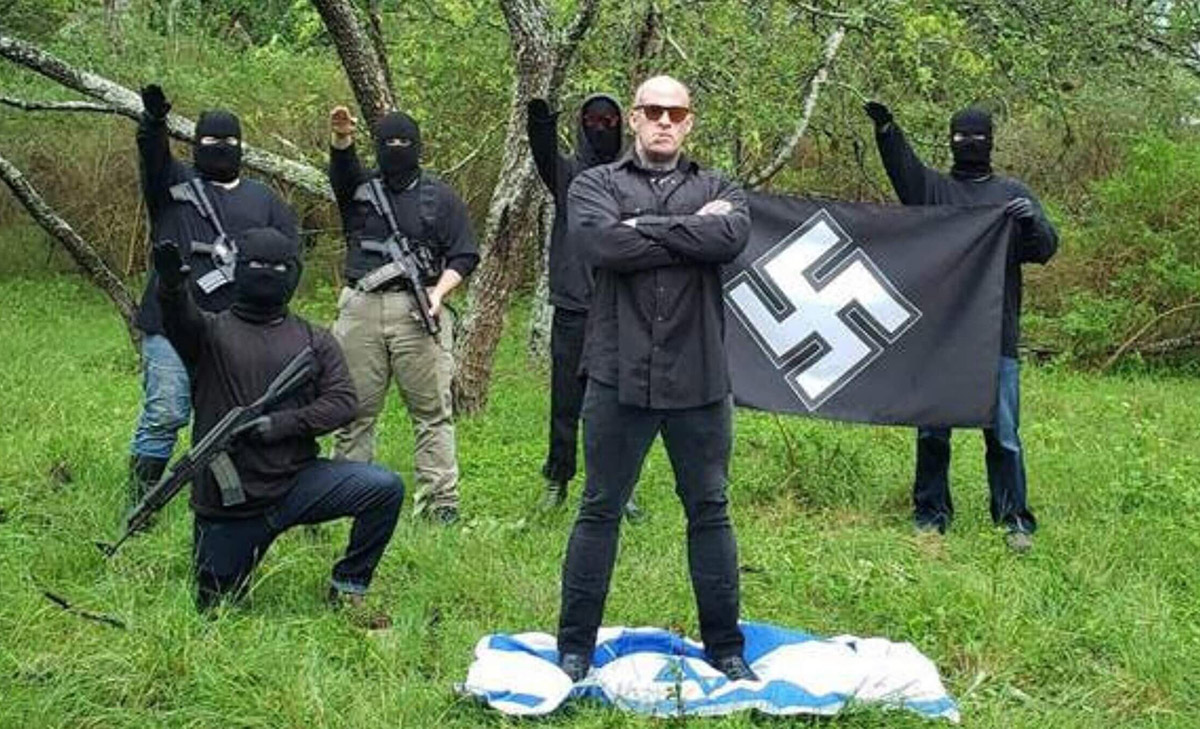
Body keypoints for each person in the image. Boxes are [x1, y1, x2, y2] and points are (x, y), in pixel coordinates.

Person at [555, 76, 757, 682]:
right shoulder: (595, 183)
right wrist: (688, 233)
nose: (664, 121)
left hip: (699, 376)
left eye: (676, 112)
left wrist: (640, 228)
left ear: (689, 121)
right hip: (618, 374)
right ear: (635, 119)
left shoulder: (720, 187)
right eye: (652, 111)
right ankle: (573, 649)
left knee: (710, 510)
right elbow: (599, 244)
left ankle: (725, 648)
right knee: (599, 507)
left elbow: (730, 236)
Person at [153, 227, 403, 623]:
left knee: (384, 489)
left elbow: (343, 403)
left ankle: (348, 586)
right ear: (237, 270)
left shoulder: (314, 340)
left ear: (293, 273)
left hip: (298, 485)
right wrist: (171, 289)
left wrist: (280, 423)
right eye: (258, 265)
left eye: (277, 266)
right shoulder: (209, 333)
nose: (268, 273)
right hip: (229, 506)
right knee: (216, 609)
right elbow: (181, 322)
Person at [864, 101, 1058, 552]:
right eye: (961, 136)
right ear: (951, 141)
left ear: (991, 141)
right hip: (940, 337)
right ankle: (931, 516)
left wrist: (1030, 225)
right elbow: (905, 173)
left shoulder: (1012, 195)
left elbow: (1046, 248)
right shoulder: (934, 192)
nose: (969, 144)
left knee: (1004, 435)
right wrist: (888, 131)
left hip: (996, 337)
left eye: (977, 136)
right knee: (933, 432)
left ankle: (1014, 521)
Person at [126, 84, 297, 514]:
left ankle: (229, 503)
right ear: (194, 144)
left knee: (229, 424)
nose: (219, 149)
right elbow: (153, 155)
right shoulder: (173, 185)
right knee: (165, 412)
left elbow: (290, 259)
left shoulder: (264, 199)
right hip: (170, 320)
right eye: (209, 141)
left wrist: (271, 310)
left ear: (241, 146)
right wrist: (153, 123)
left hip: (235, 330)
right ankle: (139, 504)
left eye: (227, 142)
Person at [326, 106, 479, 525]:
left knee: (432, 411)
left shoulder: (439, 196)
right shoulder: (360, 190)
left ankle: (440, 502)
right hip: (360, 306)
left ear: (418, 147)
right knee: (353, 410)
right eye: (387, 143)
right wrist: (342, 139)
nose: (396, 150)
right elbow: (341, 170)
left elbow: (465, 252)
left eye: (403, 143)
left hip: (419, 308)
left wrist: (438, 292)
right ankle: (345, 496)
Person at [526, 93, 642, 521]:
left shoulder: (631, 177)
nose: (601, 126)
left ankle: (620, 486)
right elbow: (543, 155)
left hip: (621, 306)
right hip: (574, 306)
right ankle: (558, 477)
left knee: (621, 402)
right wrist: (540, 121)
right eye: (593, 119)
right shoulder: (569, 175)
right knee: (566, 400)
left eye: (609, 119)